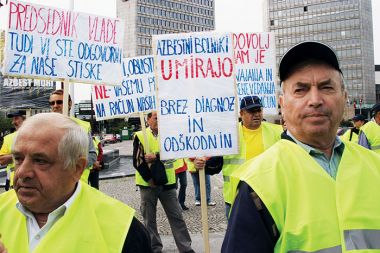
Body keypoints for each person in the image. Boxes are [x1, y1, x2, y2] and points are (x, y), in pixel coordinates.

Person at [222, 41, 380, 252]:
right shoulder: (257, 185)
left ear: (344, 97)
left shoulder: (375, 167)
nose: (315, 100)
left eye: (326, 87)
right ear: (283, 103)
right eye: (300, 90)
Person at [0, 113, 152, 253]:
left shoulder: (124, 230)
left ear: (77, 168)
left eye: (40, 161)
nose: (21, 172)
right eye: (18, 158)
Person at [132, 111, 194, 253]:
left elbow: (174, 155)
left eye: (161, 118)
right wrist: (149, 179)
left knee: (177, 217)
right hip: (148, 185)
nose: (158, 121)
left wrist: (157, 157)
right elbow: (137, 161)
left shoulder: (169, 135)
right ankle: (154, 249)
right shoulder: (140, 136)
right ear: (147, 119)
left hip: (168, 184)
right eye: (155, 118)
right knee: (150, 220)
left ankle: (186, 248)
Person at [222, 95, 283, 217]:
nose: (256, 114)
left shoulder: (278, 132)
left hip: (268, 197)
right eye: (251, 111)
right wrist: (203, 164)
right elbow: (213, 165)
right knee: (237, 236)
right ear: (241, 113)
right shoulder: (229, 135)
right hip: (236, 197)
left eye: (259, 110)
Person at [49, 89, 97, 182]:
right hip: (51, 185)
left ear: (70, 104)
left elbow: (92, 155)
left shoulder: (83, 126)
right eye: (52, 103)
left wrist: (72, 165)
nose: (55, 105)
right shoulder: (44, 127)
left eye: (59, 102)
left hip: (78, 184)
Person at [0, 110, 26, 191]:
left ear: (25, 119)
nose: (13, 122)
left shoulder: (39, 135)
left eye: (16, 118)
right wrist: (24, 155)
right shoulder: (8, 138)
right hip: (13, 182)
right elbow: (2, 160)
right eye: (13, 119)